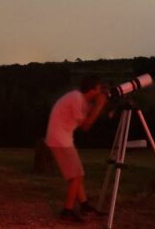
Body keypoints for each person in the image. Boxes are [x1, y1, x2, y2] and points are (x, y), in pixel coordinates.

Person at [45, 75, 108, 223]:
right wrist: (99, 105)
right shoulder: (76, 98)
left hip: (61, 139)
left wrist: (103, 106)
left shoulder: (81, 100)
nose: (100, 92)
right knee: (76, 175)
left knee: (78, 173)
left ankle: (85, 205)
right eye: (99, 89)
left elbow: (90, 114)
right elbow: (86, 126)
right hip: (59, 140)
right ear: (92, 90)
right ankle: (67, 212)